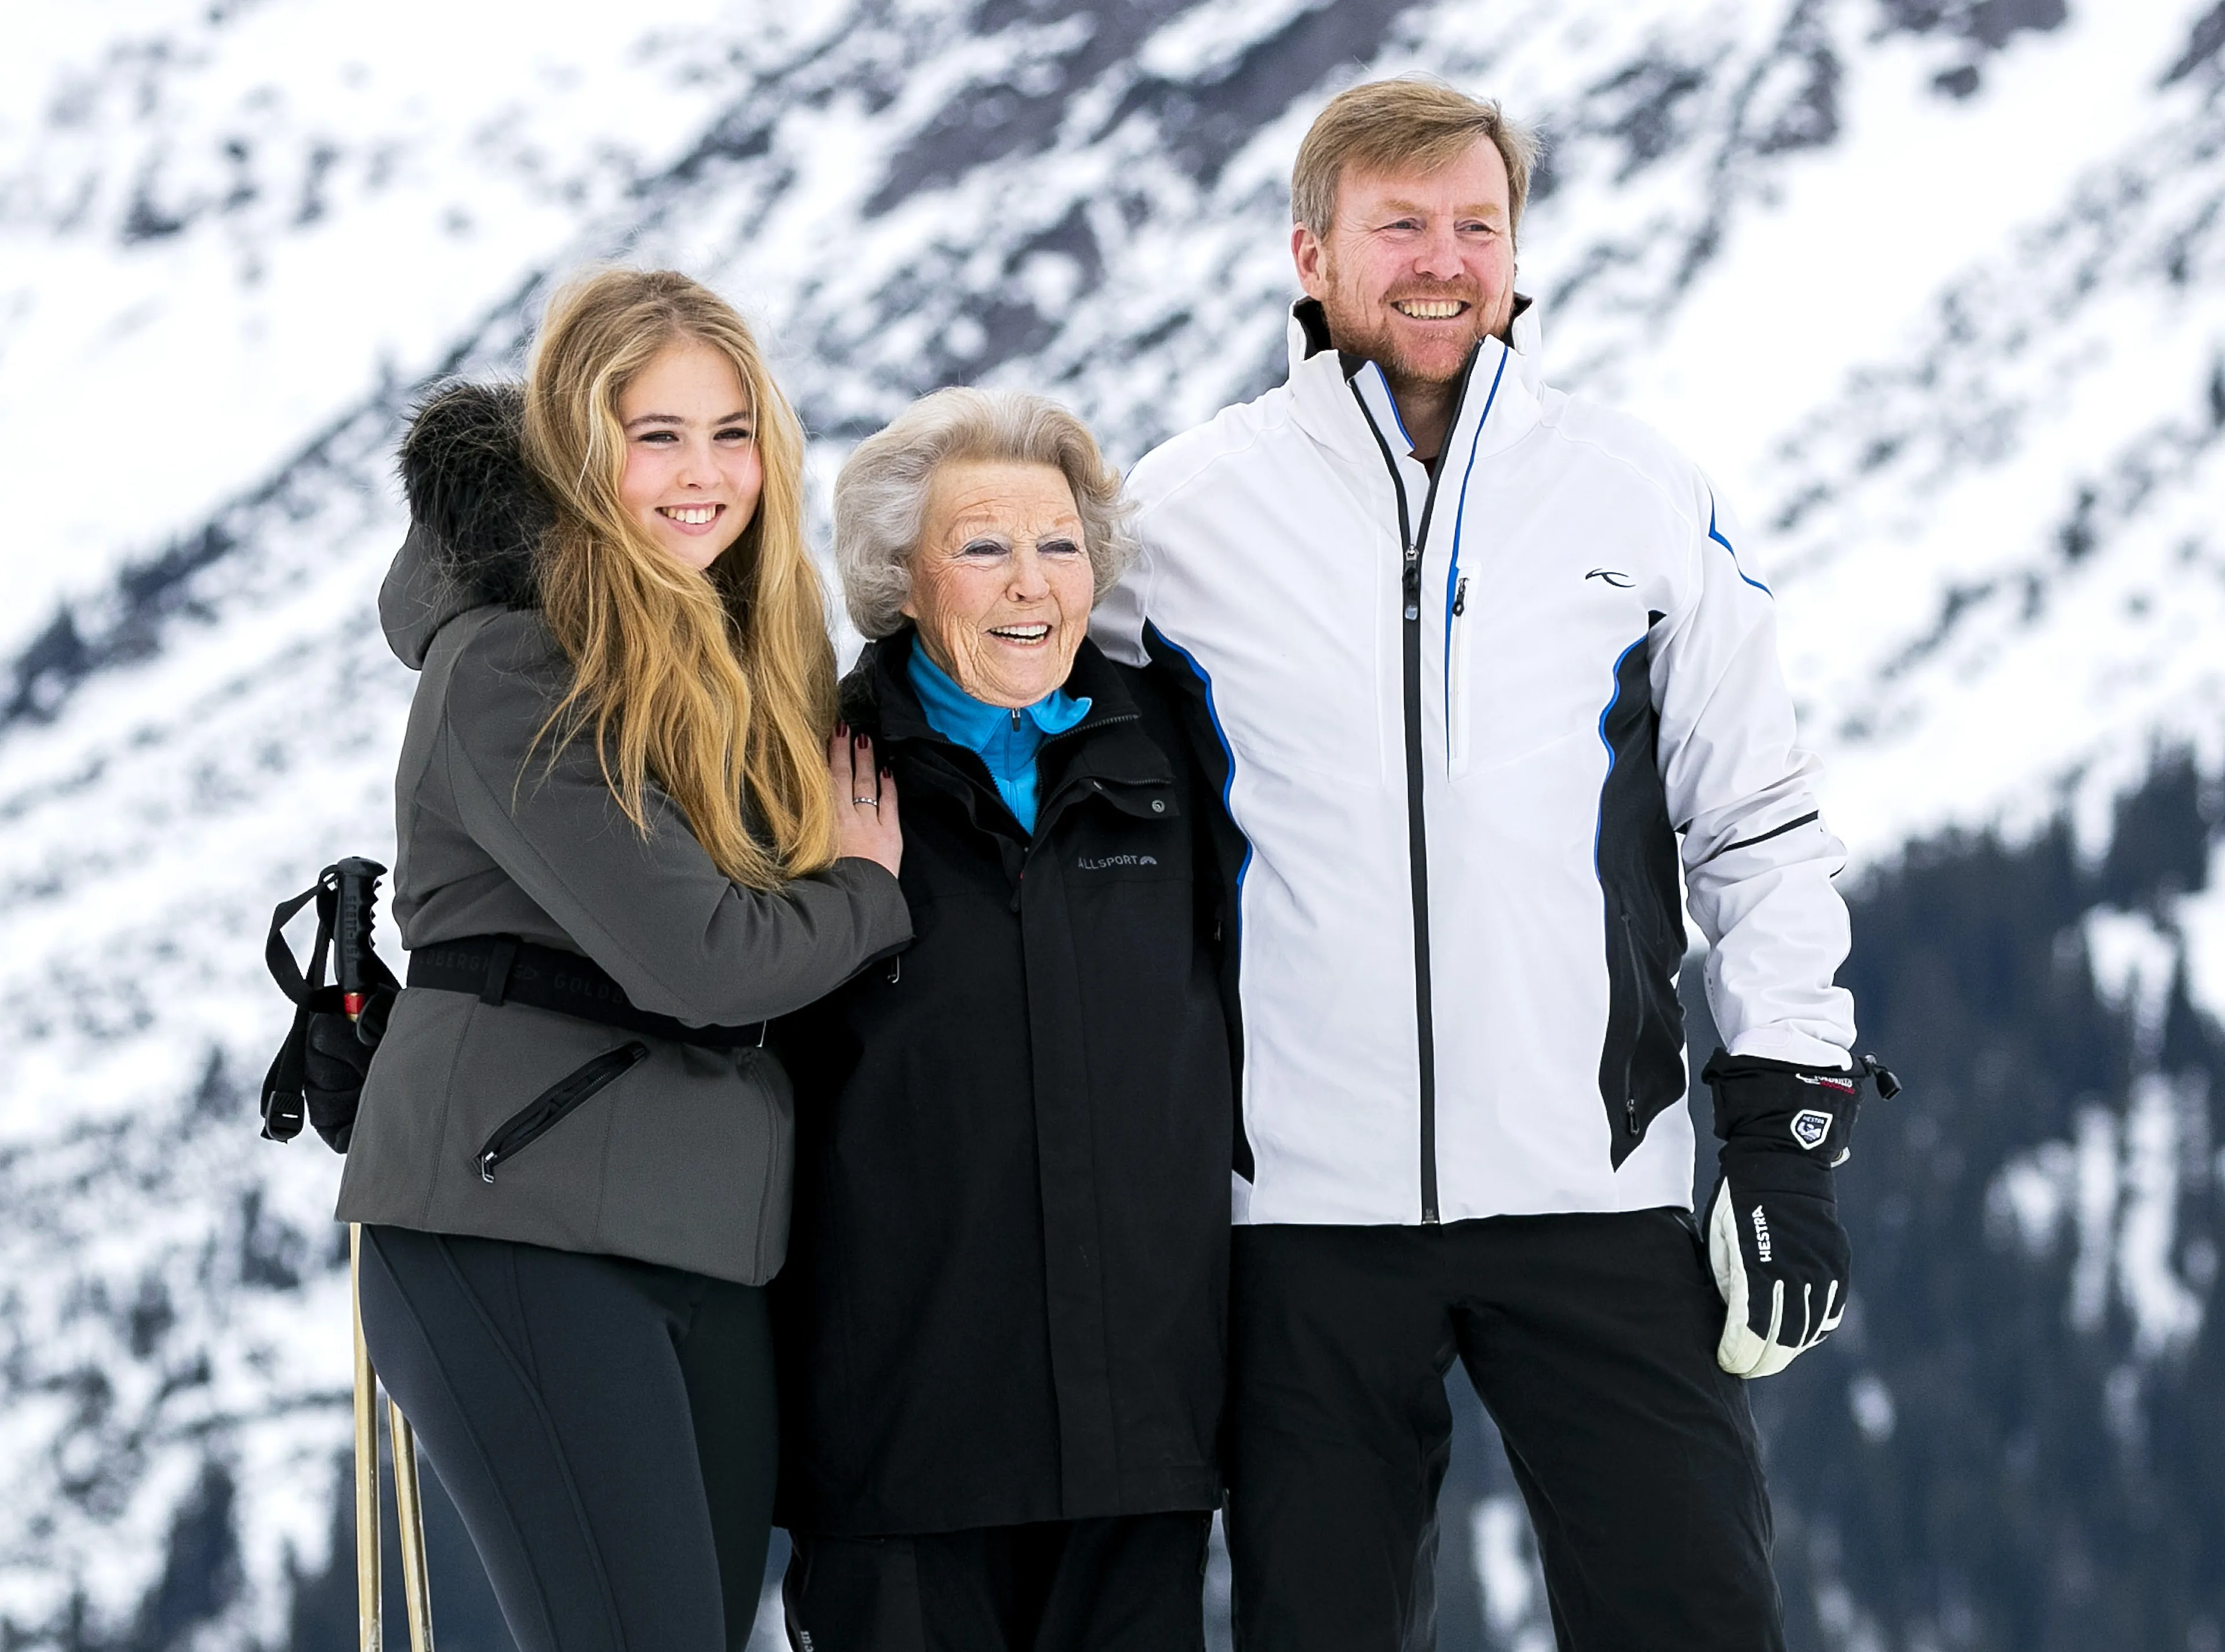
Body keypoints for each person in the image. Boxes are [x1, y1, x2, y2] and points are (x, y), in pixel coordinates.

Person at [1093, 79, 1884, 1651]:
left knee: (1696, 1614)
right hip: (1297, 1214)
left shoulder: (1636, 493)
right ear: (1310, 255)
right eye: (1400, 228)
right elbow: (1060, 801)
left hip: (1595, 1186)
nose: (1444, 262)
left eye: (1477, 225)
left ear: (1518, 255)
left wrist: (1784, 1133)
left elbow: (1758, 821)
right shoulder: (1178, 517)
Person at [334, 268, 911, 1652]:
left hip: (701, 1236)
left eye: (732, 434)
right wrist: (863, 893)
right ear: (581, 453)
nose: (703, 476)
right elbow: (706, 962)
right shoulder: (511, 665)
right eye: (658, 435)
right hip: (515, 1224)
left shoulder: (745, 651)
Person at [772, 388, 1239, 1652]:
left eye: (1059, 547)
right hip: (904, 1442)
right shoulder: (813, 769)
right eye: (983, 547)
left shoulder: (1175, 753)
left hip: (1141, 1431)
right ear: (902, 579)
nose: (1030, 586)